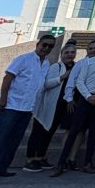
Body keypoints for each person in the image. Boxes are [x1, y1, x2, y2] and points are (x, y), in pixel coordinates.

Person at [0, 34, 56, 181]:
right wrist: (3, 98)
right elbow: (8, 77)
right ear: (38, 44)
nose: (46, 48)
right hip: (11, 105)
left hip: (27, 108)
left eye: (50, 46)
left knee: (13, 140)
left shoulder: (46, 64)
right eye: (44, 44)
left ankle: (0, 168)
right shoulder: (23, 59)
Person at [51, 37, 95, 175]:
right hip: (85, 99)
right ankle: (61, 163)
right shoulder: (89, 62)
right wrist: (88, 96)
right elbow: (80, 80)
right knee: (74, 131)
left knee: (93, 132)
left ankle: (88, 163)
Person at [23, 41, 76, 172]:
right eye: (67, 52)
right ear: (62, 54)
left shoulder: (75, 67)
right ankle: (30, 159)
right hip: (48, 104)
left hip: (61, 106)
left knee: (49, 132)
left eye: (72, 53)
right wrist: (63, 77)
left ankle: (41, 157)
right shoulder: (56, 67)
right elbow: (47, 84)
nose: (69, 55)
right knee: (38, 131)